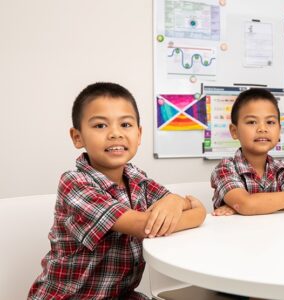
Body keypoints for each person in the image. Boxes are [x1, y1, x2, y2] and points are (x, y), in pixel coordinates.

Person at [28, 82, 206, 299]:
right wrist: (184, 207)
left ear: (139, 135)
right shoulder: (74, 183)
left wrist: (176, 201)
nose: (115, 134)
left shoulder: (137, 178)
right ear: (77, 137)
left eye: (125, 124)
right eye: (100, 126)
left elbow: (199, 210)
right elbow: (144, 226)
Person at [210, 88, 284, 216]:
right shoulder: (225, 168)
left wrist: (249, 205)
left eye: (270, 122)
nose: (262, 129)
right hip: (236, 233)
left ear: (279, 129)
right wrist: (246, 205)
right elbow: (246, 204)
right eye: (252, 122)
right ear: (234, 131)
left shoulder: (282, 168)